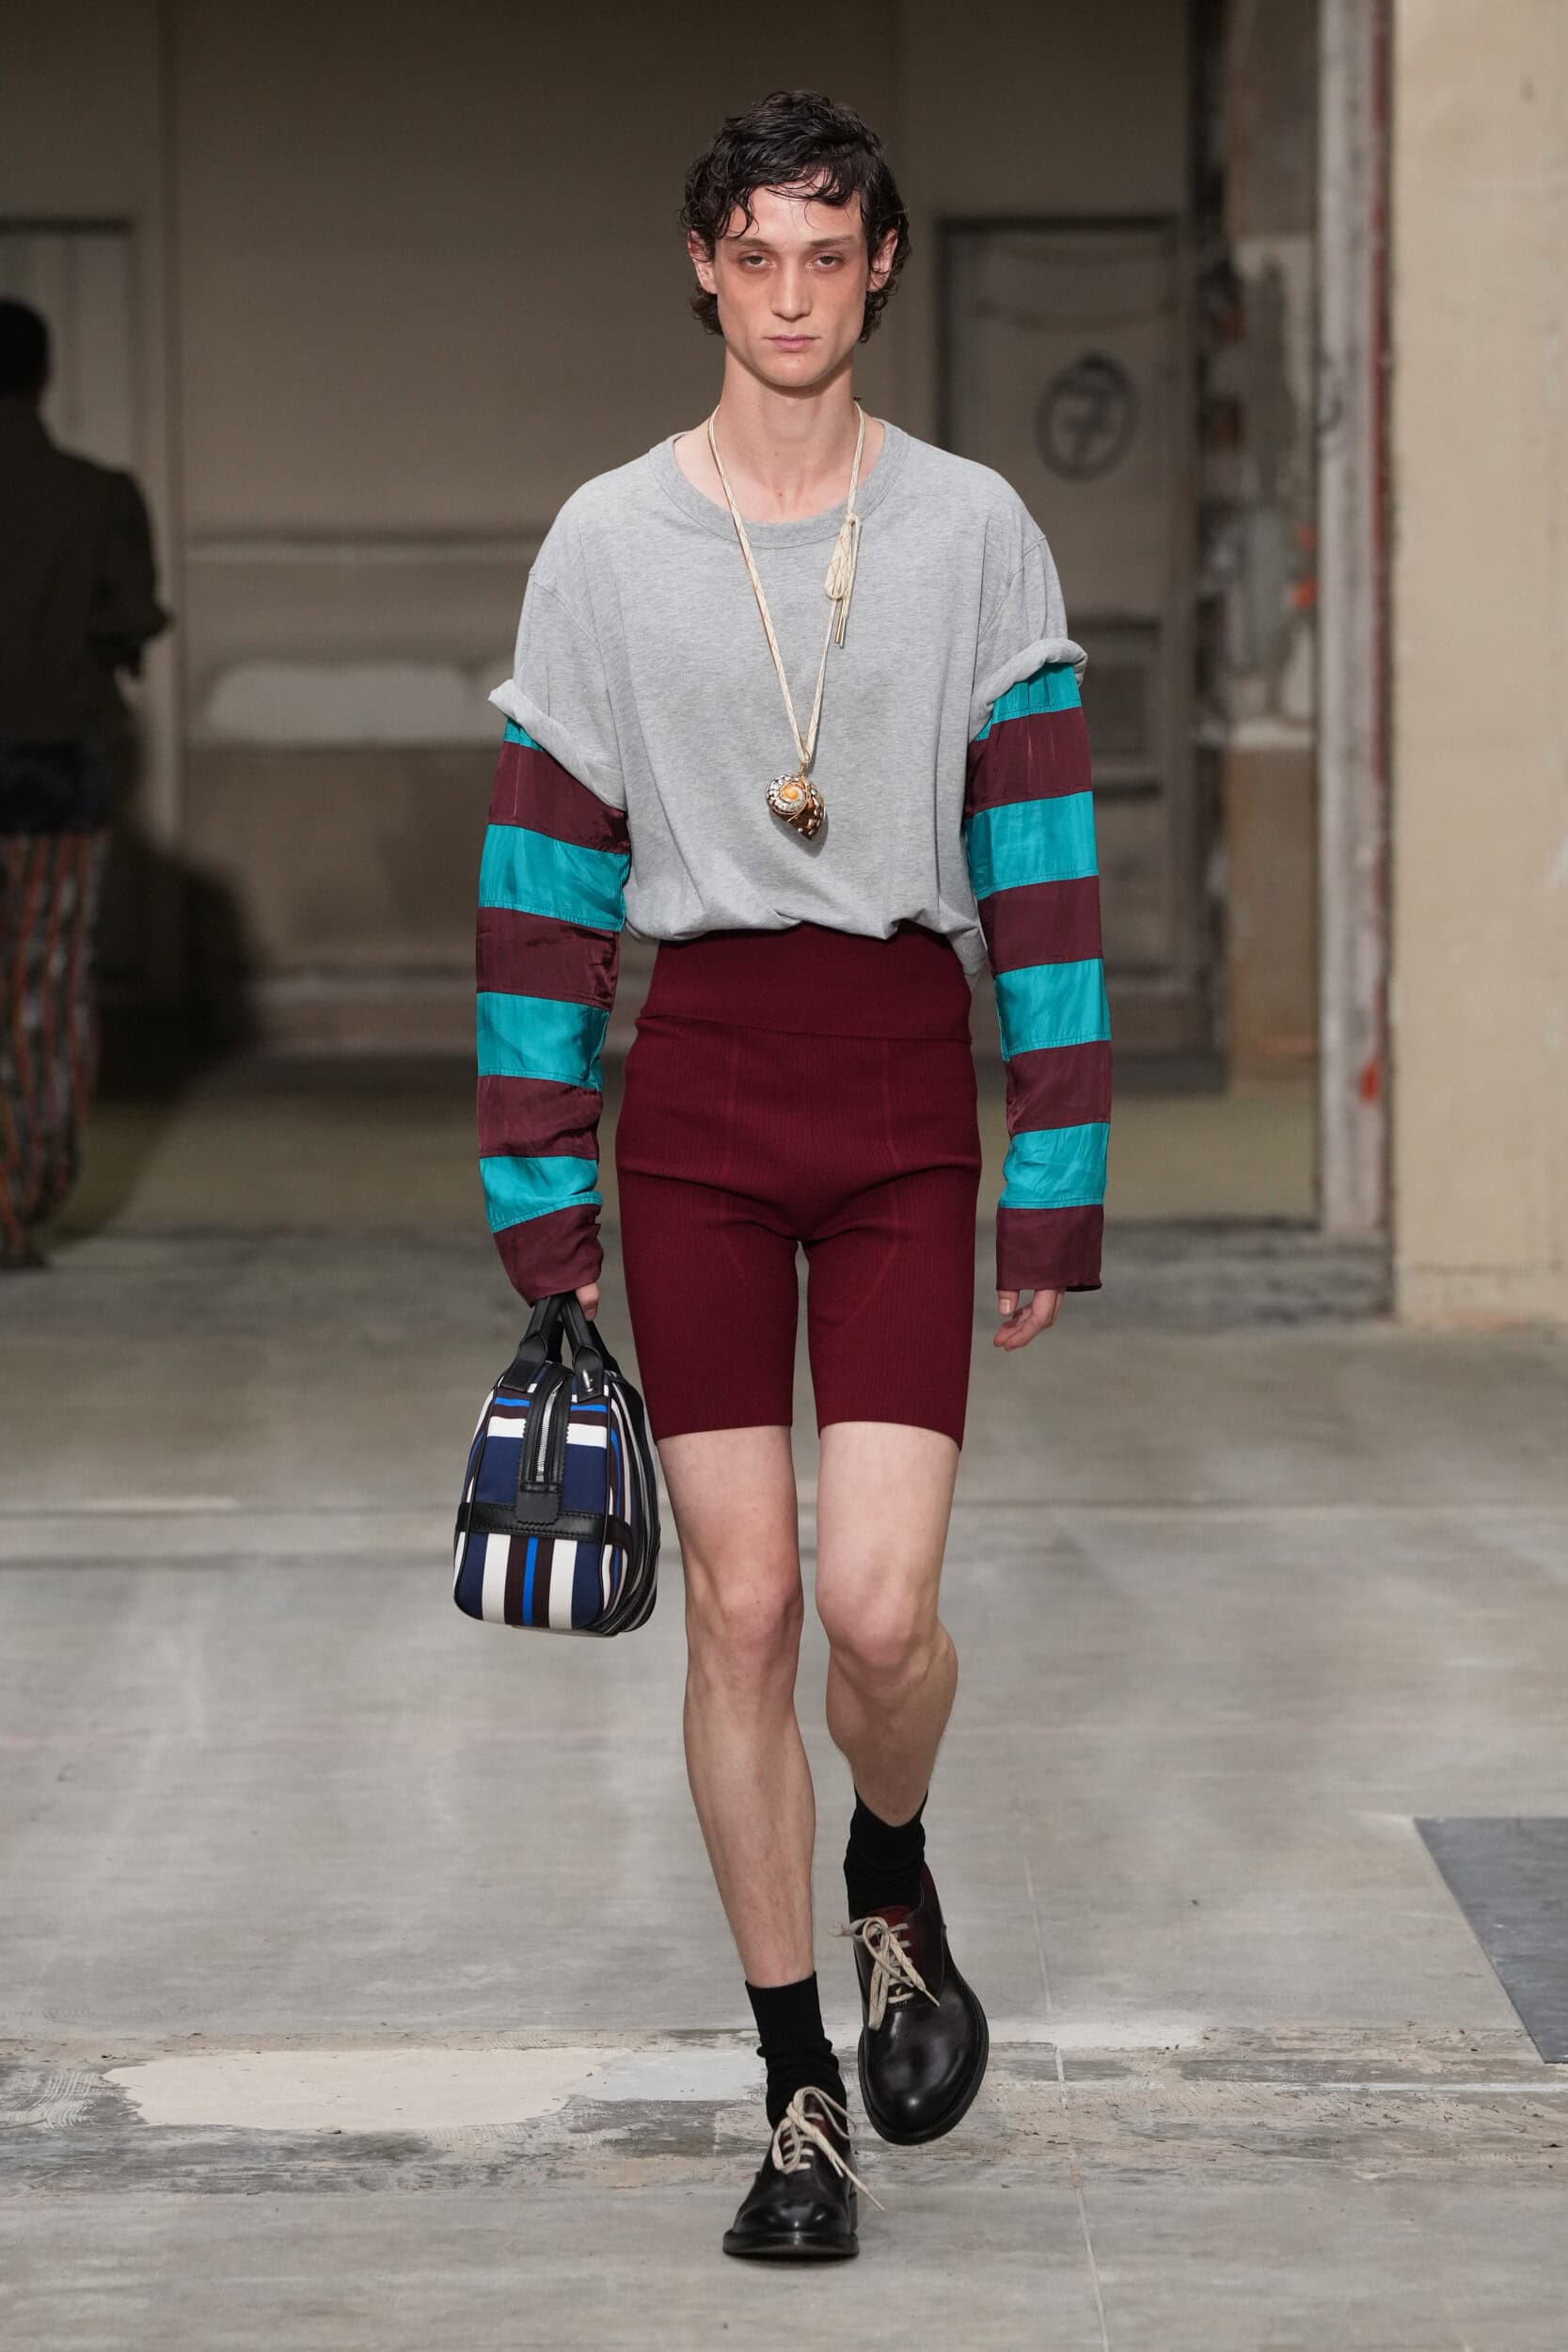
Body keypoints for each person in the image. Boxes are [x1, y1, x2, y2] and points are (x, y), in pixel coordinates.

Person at [475, 89, 1110, 2260]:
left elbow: (1041, 862)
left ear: (879, 267)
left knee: (875, 1611)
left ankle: (889, 1866)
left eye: (826, 255)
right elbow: (544, 881)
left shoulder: (973, 530)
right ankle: (795, 2094)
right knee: (741, 1607)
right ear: (703, 266)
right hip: (703, 1104)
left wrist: (1055, 1170)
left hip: (905, 1091)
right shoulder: (603, 543)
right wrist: (537, 1185)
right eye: (755, 255)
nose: (790, 294)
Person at [0, 297, 168, 1269]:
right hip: (52, 774)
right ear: (43, 378)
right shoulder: (95, 495)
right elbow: (132, 615)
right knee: (44, 995)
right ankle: (21, 1192)